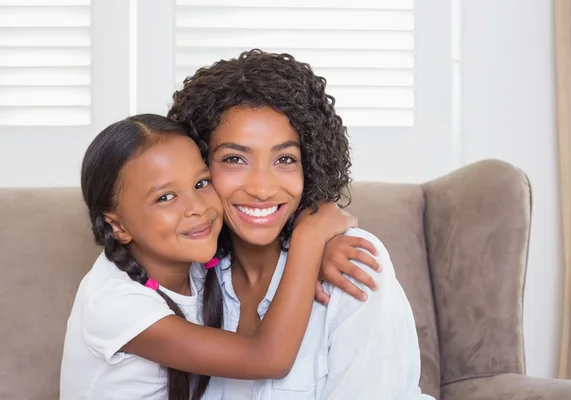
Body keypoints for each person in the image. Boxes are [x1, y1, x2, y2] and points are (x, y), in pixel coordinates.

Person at [168, 49, 433, 399]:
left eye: (285, 159)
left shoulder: (353, 265)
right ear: (199, 165)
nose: (262, 189)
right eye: (234, 159)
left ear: (310, 165)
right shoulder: (187, 279)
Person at [59, 114, 377, 400]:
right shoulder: (113, 302)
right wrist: (309, 240)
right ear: (117, 225)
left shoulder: (198, 261)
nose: (197, 206)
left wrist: (325, 249)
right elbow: (268, 359)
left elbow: (261, 238)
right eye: (165, 197)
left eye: (201, 183)